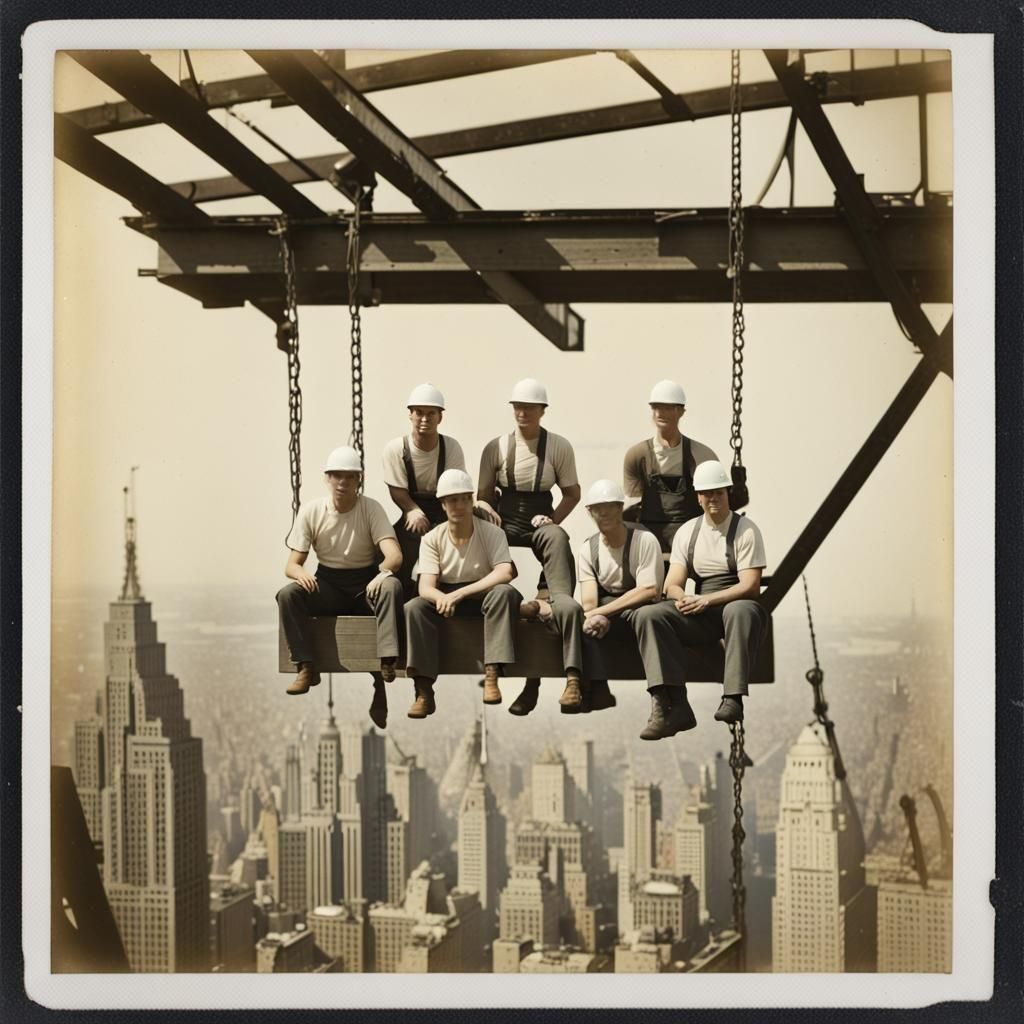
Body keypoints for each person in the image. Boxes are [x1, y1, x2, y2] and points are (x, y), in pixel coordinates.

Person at [633, 460, 768, 739]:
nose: (713, 499)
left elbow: (750, 585)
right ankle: (670, 703)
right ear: (698, 497)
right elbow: (672, 583)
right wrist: (684, 599)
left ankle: (733, 698)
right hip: (702, 606)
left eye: (718, 492)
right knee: (649, 615)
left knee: (739, 611)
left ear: (728, 493)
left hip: (735, 600)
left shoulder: (746, 530)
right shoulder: (688, 532)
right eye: (707, 493)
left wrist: (708, 601)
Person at [276, 445, 404, 729]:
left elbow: (394, 555)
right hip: (329, 584)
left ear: (359, 479)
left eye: (349, 477)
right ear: (327, 478)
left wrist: (381, 575)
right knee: (288, 595)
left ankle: (387, 660)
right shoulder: (312, 511)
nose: (343, 483)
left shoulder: (371, 509)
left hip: (366, 584)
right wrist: (300, 574)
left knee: (392, 587)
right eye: (337, 476)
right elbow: (291, 564)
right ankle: (305, 665)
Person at [476, 378, 584, 715]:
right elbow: (481, 495)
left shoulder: (558, 447)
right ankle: (488, 596)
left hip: (540, 515)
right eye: (517, 407)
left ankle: (557, 598)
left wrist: (552, 518)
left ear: (542, 411)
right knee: (485, 543)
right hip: (504, 517)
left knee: (557, 539)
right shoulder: (496, 447)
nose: (522, 413)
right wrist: (489, 511)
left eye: (529, 407)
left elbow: (572, 493)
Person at [404, 469, 522, 718]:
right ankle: (423, 689)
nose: (459, 505)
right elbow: (426, 586)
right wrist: (443, 598)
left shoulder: (491, 532)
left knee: (505, 593)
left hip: (482, 595)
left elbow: (504, 573)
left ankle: (492, 674)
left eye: (464, 499)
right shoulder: (432, 539)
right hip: (446, 599)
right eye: (452, 500)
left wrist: (461, 594)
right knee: (414, 607)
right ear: (443, 505)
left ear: (471, 500)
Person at [577, 479, 665, 717]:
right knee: (580, 620)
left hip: (643, 608)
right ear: (589, 512)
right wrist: (597, 617)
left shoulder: (643, 540)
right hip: (612, 610)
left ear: (620, 507)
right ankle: (594, 687)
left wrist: (602, 613)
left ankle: (662, 698)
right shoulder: (588, 549)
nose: (604, 513)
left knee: (649, 616)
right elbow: (589, 603)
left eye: (610, 506)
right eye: (597, 508)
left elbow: (649, 590)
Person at [382, 383, 467, 598]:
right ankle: (398, 601)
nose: (424, 418)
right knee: (398, 552)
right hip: (412, 511)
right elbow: (397, 489)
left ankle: (447, 597)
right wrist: (411, 509)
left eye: (431, 413)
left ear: (440, 417)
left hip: (444, 511)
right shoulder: (396, 449)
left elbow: (455, 489)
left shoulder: (451, 447)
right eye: (419, 412)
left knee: (454, 549)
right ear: (410, 415)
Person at [623, 380, 719, 553]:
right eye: (656, 407)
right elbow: (631, 508)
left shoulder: (701, 455)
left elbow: (716, 504)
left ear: (681, 411)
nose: (661, 413)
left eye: (668, 408)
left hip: (692, 538)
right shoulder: (638, 456)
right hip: (648, 539)